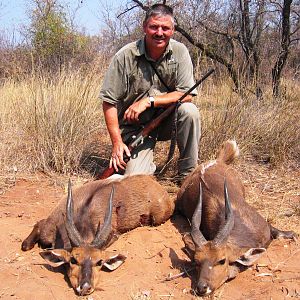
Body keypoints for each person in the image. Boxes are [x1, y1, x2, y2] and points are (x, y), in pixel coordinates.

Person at [99, 4, 201, 184]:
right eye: (154, 27)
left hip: (165, 121)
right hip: (135, 130)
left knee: (189, 111)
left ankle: (187, 177)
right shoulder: (125, 56)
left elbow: (187, 94)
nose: (159, 32)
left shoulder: (180, 51)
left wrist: (149, 101)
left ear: (173, 30)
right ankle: (142, 164)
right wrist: (117, 143)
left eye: (165, 28)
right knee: (135, 181)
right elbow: (109, 101)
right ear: (145, 27)